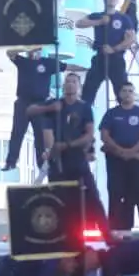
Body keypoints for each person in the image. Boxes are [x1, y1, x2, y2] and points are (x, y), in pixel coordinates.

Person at [39, 71, 109, 236]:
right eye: (67, 81)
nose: (70, 84)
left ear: (79, 86)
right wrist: (52, 150)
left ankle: (105, 232)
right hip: (58, 163)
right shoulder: (53, 105)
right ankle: (61, 234)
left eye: (74, 82)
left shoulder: (84, 108)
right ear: (63, 86)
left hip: (77, 160)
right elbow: (47, 133)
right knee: (59, 200)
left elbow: (89, 134)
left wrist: (69, 145)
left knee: (91, 196)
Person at [99, 83, 139, 234]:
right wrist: (120, 150)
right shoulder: (111, 113)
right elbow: (104, 135)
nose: (128, 93)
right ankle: (115, 228)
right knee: (116, 192)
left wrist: (132, 151)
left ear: (134, 94)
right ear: (120, 94)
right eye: (124, 91)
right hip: (116, 158)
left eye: (131, 91)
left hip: (137, 158)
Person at [4, 48, 64, 172]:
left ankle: (41, 163)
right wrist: (25, 48)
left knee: (40, 135)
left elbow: (65, 66)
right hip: (23, 102)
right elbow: (9, 53)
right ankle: (11, 162)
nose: (34, 51)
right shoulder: (23, 61)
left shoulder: (48, 63)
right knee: (17, 132)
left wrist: (84, 68)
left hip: (40, 103)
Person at [78, 0, 137, 106]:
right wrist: (99, 22)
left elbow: (131, 39)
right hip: (100, 57)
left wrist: (114, 49)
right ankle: (83, 117)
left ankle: (124, 114)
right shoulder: (98, 15)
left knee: (121, 90)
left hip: (116, 59)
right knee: (88, 90)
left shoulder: (123, 19)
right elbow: (79, 23)